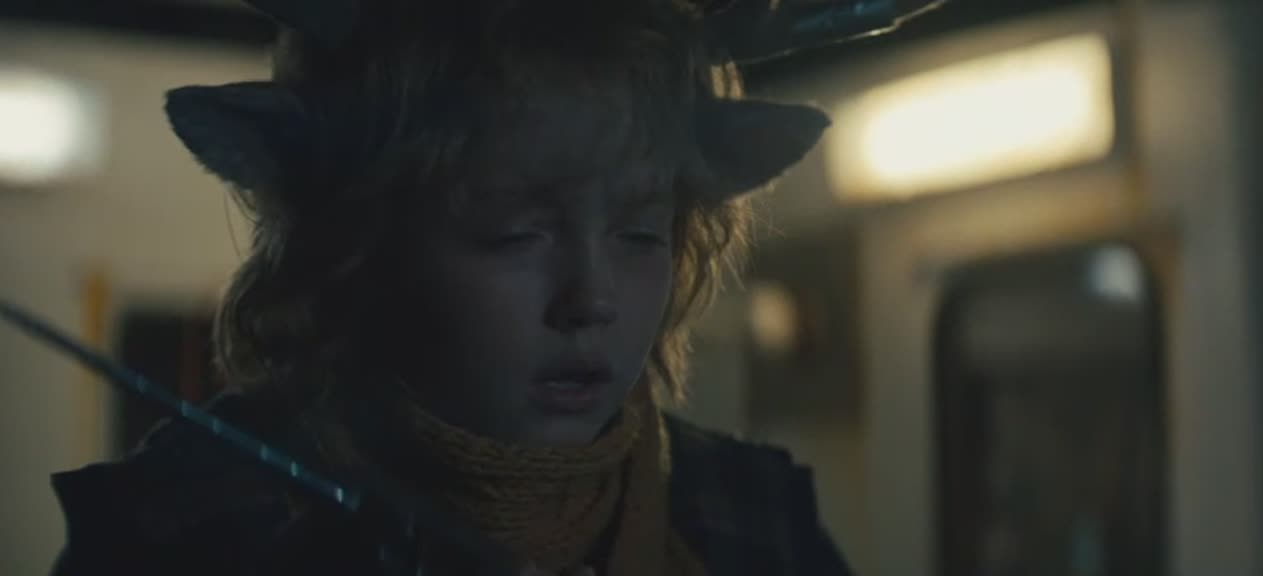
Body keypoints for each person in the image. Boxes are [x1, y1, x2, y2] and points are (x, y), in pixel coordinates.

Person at [49, 0, 845, 574]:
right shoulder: (186, 530)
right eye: (515, 233)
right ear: (363, 245)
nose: (590, 300)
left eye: (641, 234)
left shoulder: (753, 523)